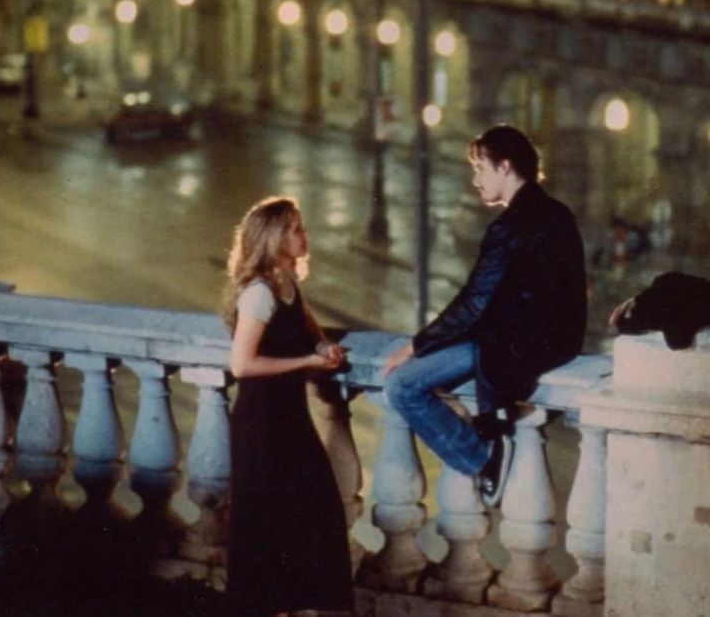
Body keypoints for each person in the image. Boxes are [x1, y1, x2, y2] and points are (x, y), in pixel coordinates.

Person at [382, 125, 587, 507]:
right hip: (556, 342)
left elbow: (473, 304)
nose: (475, 180)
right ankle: (486, 451)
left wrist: (414, 346)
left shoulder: (508, 228)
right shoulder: (559, 214)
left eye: (480, 169)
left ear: (505, 167)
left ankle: (483, 457)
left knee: (402, 387)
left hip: (508, 344)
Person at [224, 196, 353, 617]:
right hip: (261, 426)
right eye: (296, 228)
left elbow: (308, 326)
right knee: (268, 527)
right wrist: (308, 361)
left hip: (289, 421)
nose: (304, 234)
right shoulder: (259, 294)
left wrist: (322, 347)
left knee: (315, 515)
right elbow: (242, 364)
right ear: (276, 238)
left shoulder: (287, 284)